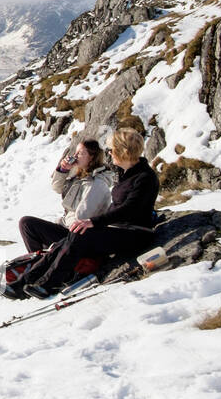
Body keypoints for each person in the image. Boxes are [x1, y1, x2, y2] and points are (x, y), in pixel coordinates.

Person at [22, 128, 159, 299]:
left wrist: (94, 221)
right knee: (72, 236)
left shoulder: (144, 177)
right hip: (121, 229)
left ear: (123, 151)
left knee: (81, 233)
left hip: (136, 233)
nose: (109, 153)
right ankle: (30, 278)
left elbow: (128, 209)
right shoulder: (127, 173)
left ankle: (49, 284)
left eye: (112, 149)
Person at [17, 137, 117, 253]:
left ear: (92, 157)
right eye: (75, 152)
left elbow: (83, 216)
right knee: (27, 225)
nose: (75, 156)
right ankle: (39, 260)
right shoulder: (79, 177)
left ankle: (40, 263)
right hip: (66, 228)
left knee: (27, 224)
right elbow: (57, 187)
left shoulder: (97, 183)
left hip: (75, 235)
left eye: (80, 153)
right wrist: (63, 170)